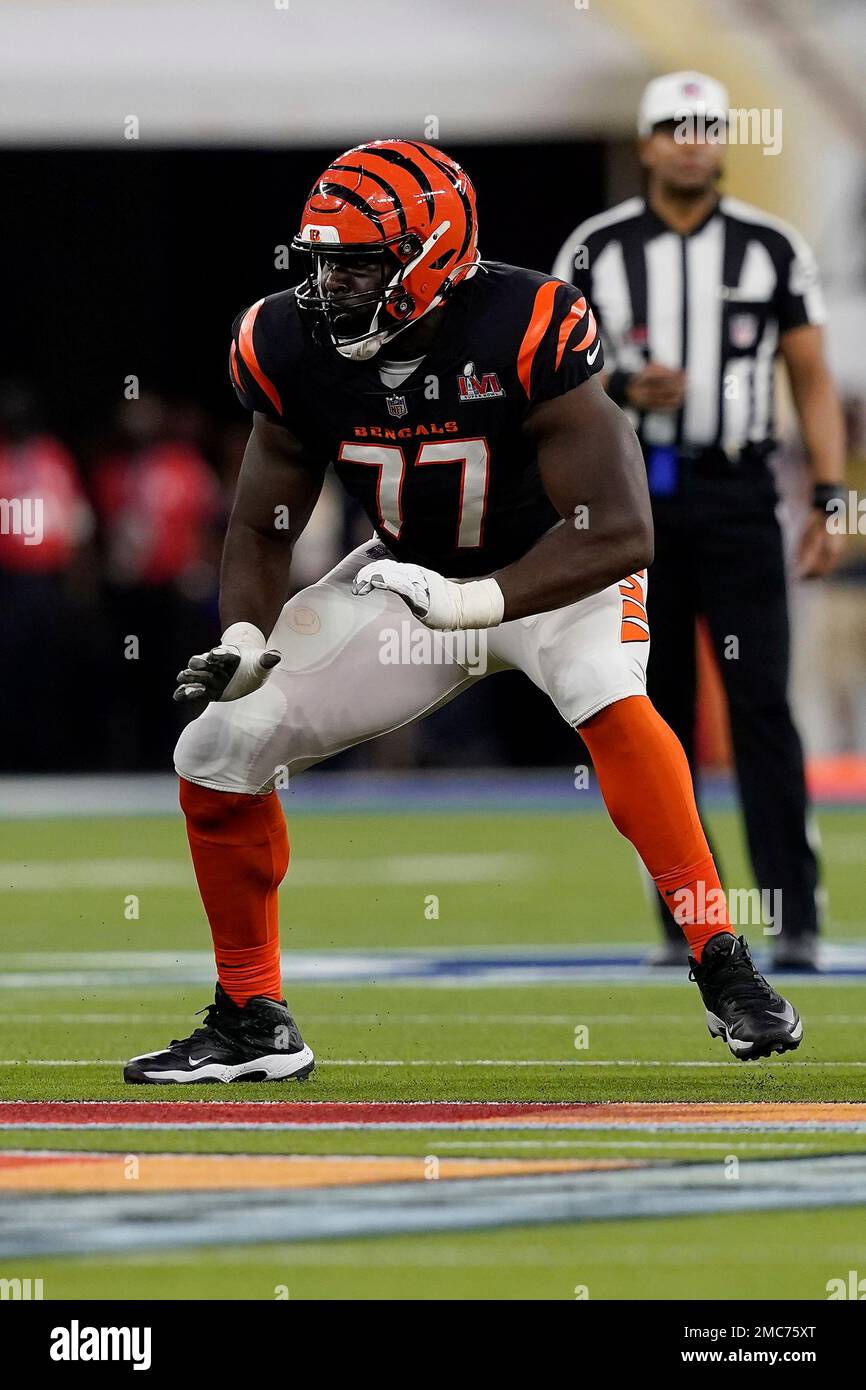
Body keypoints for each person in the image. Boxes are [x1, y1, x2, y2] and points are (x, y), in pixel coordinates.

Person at [124, 139, 802, 1085]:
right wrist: (243, 637)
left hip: (558, 578)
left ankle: (721, 961)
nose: (329, 286)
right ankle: (253, 1017)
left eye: (357, 262)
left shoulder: (527, 323)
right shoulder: (286, 344)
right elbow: (263, 521)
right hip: (408, 580)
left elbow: (618, 530)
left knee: (607, 691)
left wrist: (478, 600)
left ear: (432, 254)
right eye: (321, 261)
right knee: (218, 746)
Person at [553, 73, 847, 970]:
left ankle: (794, 916)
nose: (691, 142)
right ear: (645, 145)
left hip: (737, 496)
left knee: (762, 705)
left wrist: (829, 495)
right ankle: (694, 923)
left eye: (706, 127)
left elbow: (811, 378)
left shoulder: (770, 248)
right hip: (634, 501)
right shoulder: (597, 249)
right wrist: (623, 390)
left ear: (723, 140)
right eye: (674, 129)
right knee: (652, 714)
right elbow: (550, 380)